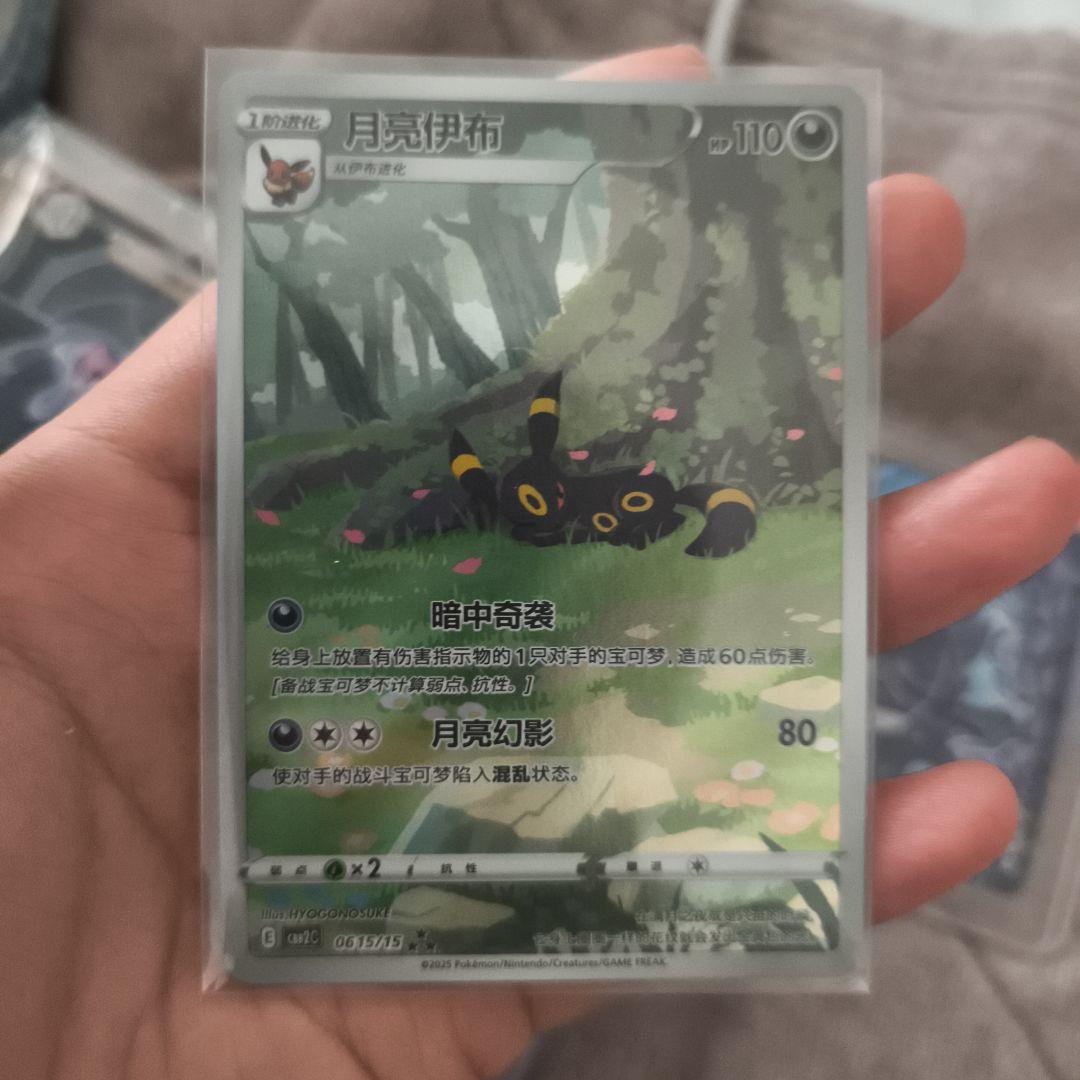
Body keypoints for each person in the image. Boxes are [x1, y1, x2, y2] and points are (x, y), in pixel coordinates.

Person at [2, 44, 1078, 1080]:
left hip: (585, 536)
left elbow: (595, 476)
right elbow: (510, 473)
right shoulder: (514, 486)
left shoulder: (602, 484)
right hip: (541, 544)